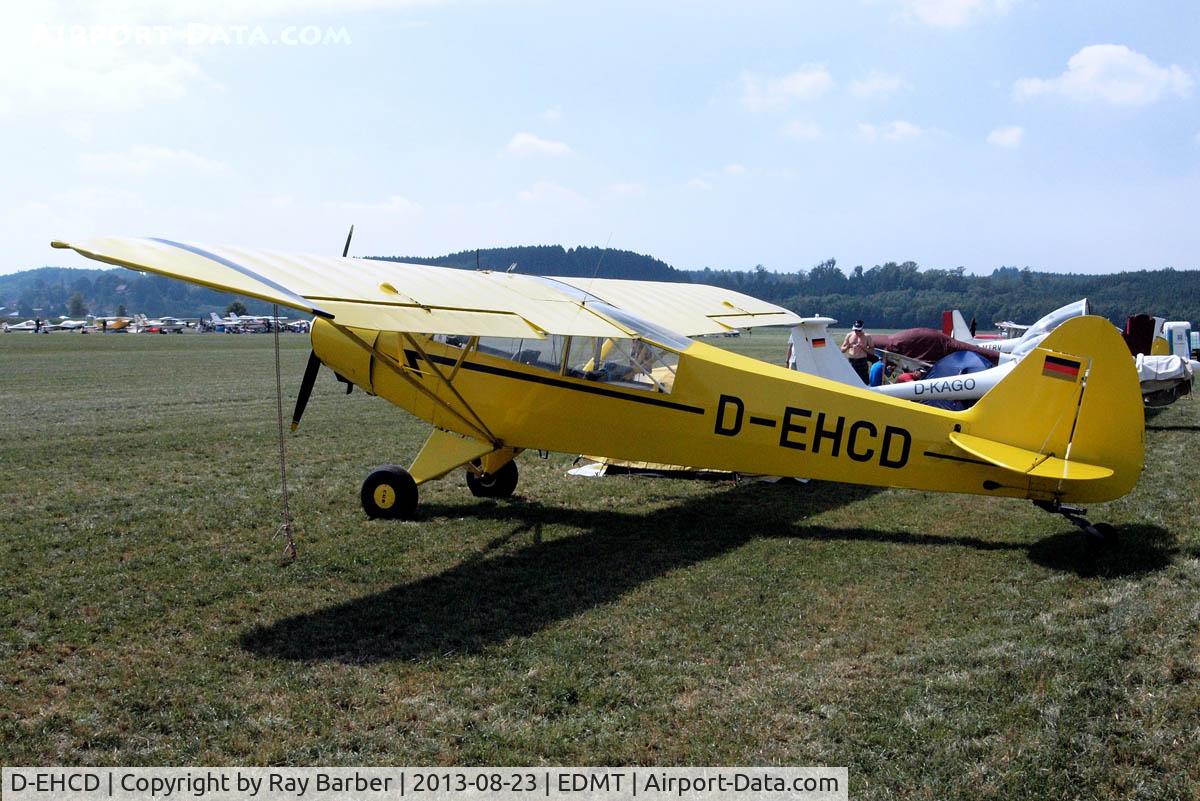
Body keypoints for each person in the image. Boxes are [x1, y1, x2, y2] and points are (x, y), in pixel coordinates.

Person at [840, 320, 874, 384]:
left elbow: (872, 352)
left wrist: (863, 347)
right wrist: (848, 346)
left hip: (862, 361)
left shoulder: (867, 336)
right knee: (850, 381)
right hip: (851, 361)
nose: (857, 332)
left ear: (862, 328)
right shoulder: (849, 335)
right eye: (855, 330)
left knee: (864, 381)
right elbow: (842, 350)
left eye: (859, 330)